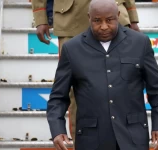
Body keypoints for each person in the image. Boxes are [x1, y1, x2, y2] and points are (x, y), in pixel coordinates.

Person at [47, 0, 158, 150]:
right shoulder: (72, 49)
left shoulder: (140, 43)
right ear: (89, 18)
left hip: (132, 137)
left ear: (118, 16)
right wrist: (57, 130)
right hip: (91, 140)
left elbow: (157, 90)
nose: (104, 26)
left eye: (109, 20)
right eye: (97, 21)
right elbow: (58, 97)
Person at [31, 0, 140, 143]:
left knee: (121, 84)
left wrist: (132, 15)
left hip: (115, 15)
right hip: (72, 19)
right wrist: (40, 16)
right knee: (76, 88)